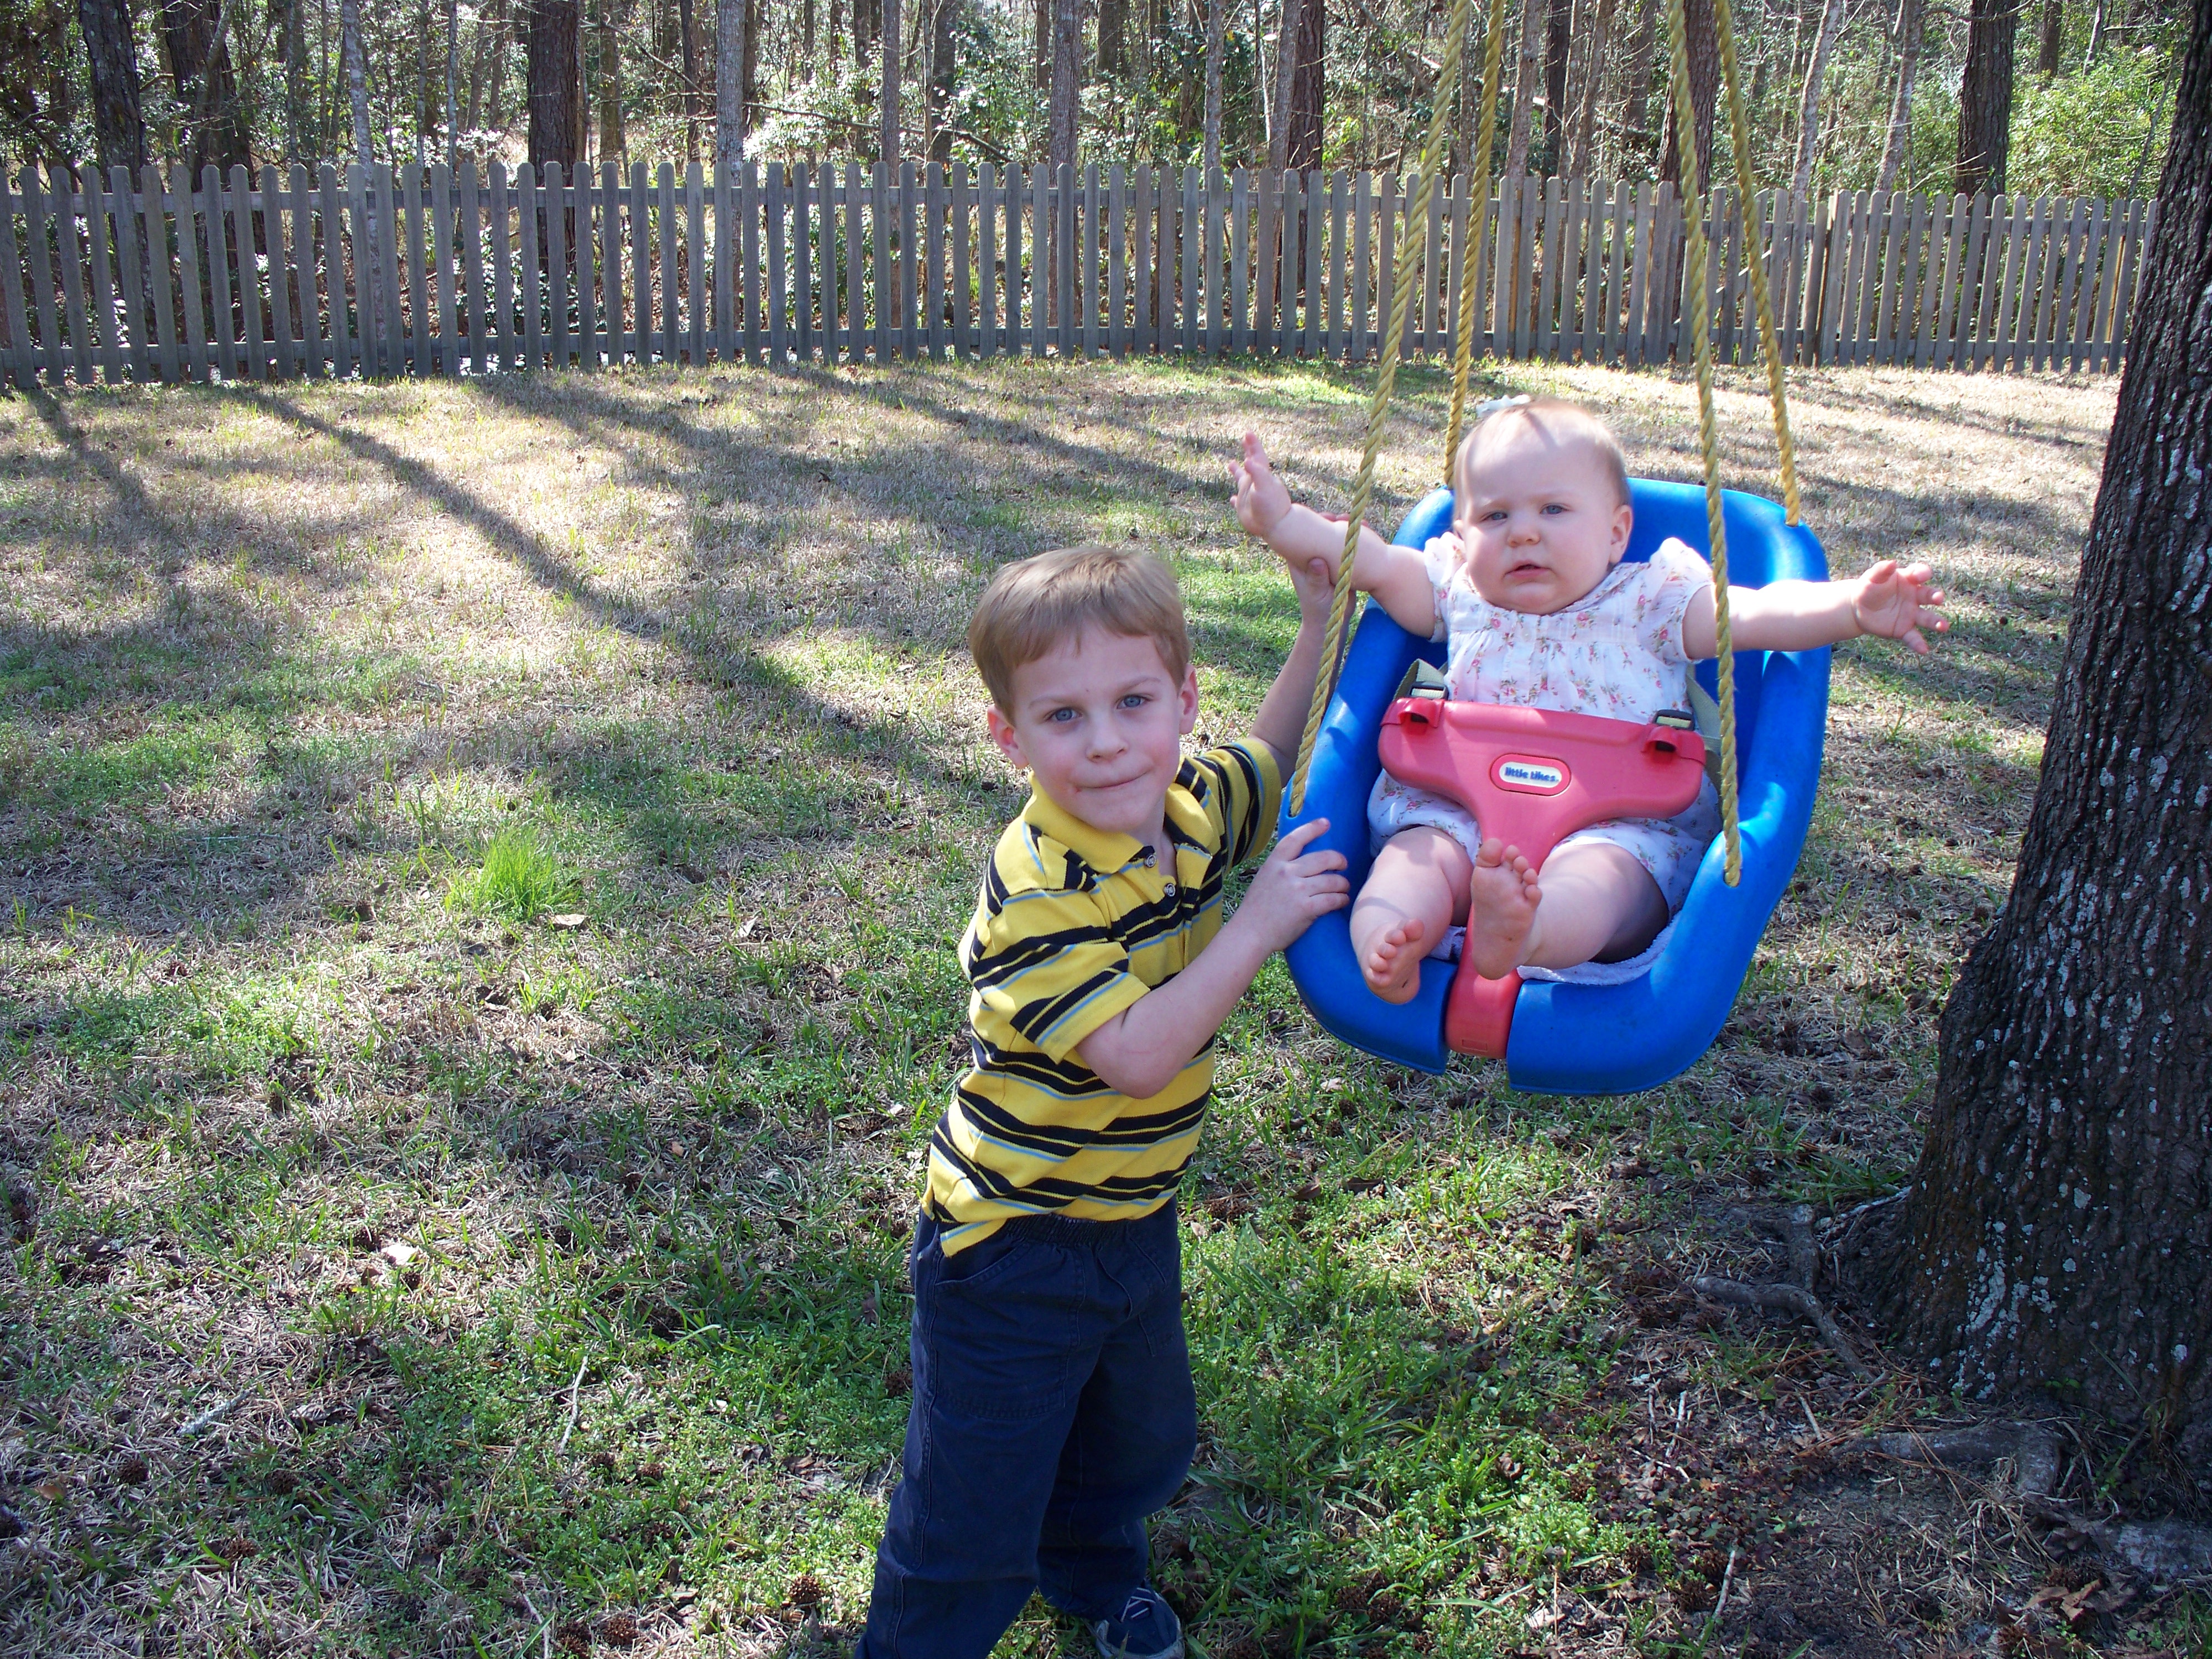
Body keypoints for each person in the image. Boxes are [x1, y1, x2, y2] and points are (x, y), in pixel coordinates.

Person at [857, 542, 1351, 1658]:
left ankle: (1090, 1573)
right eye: (1063, 716)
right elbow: (1134, 1055)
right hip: (1011, 1244)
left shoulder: (1185, 805)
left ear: (1184, 699)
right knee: (971, 1508)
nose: (1106, 742)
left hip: (1131, 1213)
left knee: (1133, 1445)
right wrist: (1257, 925)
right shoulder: (1038, 888)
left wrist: (1317, 620)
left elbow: (1274, 752)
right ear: (1011, 738)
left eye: (1134, 702)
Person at [1232, 395, 1947, 1002]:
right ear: (1461, 536)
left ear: (1616, 533)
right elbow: (1373, 561)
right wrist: (1285, 522)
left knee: (1604, 882)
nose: (1525, 532)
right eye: (1495, 517)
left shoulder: (1654, 601)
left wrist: (1851, 607)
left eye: (1553, 509)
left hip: (1615, 826)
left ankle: (1529, 933)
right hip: (1460, 816)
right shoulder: (1460, 593)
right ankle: (1388, 942)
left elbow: (1754, 613)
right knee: (1412, 861)